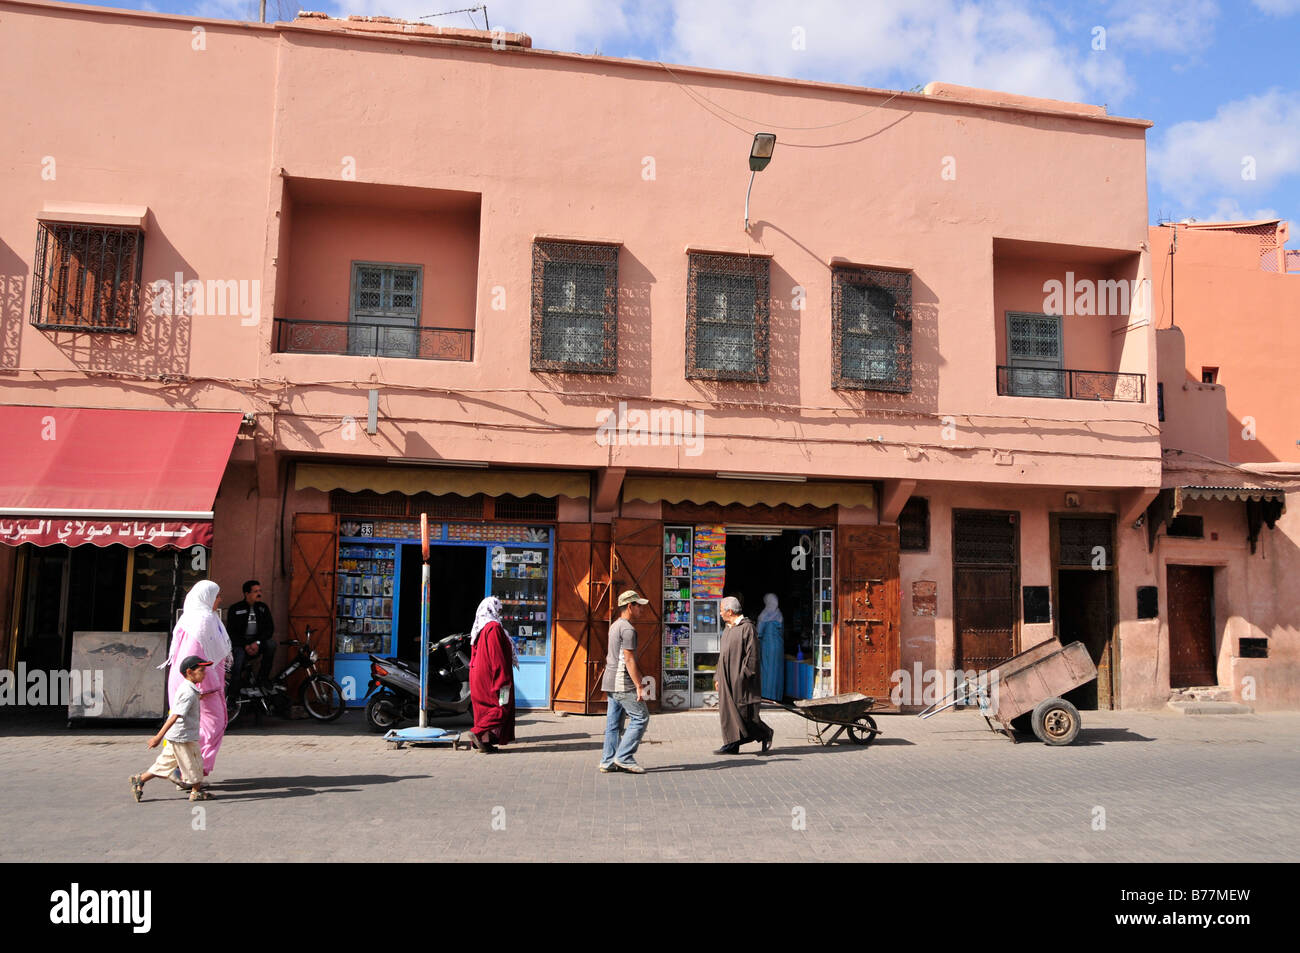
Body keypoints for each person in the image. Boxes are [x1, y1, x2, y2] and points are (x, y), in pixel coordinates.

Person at [160, 581, 231, 777]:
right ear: (207, 598)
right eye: (217, 596)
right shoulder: (204, 619)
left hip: (188, 681)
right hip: (200, 684)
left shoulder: (191, 617)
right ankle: (189, 768)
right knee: (213, 725)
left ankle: (182, 766)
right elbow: (194, 655)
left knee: (191, 726)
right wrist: (204, 686)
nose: (220, 599)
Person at [130, 655, 214, 802]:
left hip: (176, 736)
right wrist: (158, 737)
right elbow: (175, 716)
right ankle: (196, 791)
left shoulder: (188, 688)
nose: (205, 674)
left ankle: (140, 779)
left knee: (164, 764)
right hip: (184, 737)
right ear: (189, 672)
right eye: (201, 670)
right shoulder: (188, 692)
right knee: (195, 764)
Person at [599, 590, 650, 774]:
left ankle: (607, 761)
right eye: (639, 606)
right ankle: (624, 756)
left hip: (610, 681)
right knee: (641, 717)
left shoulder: (615, 625)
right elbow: (629, 659)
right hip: (622, 682)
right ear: (630, 606)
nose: (641, 610)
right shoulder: (628, 629)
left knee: (613, 725)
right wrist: (639, 685)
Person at [714, 595, 773, 755]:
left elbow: (752, 657)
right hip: (726, 679)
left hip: (741, 681)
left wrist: (743, 677)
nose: (720, 613)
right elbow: (722, 655)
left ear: (730, 611)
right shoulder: (728, 628)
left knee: (745, 715)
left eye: (721, 610)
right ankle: (732, 744)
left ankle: (765, 733)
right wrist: (718, 676)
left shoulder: (747, 628)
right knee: (727, 713)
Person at [468, 596, 516, 752]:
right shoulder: (493, 628)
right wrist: (504, 680)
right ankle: (477, 732)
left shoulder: (479, 628)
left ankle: (483, 742)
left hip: (478, 677)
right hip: (494, 677)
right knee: (502, 706)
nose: (500, 614)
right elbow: (497, 658)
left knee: (484, 709)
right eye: (499, 610)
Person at [226, 579, 275, 704]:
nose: (259, 594)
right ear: (246, 594)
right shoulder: (235, 609)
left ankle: (263, 678)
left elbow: (269, 629)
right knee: (239, 661)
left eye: (260, 591)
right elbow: (231, 632)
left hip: (257, 642)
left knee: (271, 644)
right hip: (240, 644)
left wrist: (257, 642)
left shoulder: (263, 608)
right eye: (255, 591)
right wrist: (245, 644)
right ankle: (233, 695)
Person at [757, 593, 785, 701]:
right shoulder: (779, 614)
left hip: (767, 646)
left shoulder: (764, 615)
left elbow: (759, 633)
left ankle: (767, 694)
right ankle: (777, 695)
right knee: (777, 670)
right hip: (779, 646)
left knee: (767, 670)